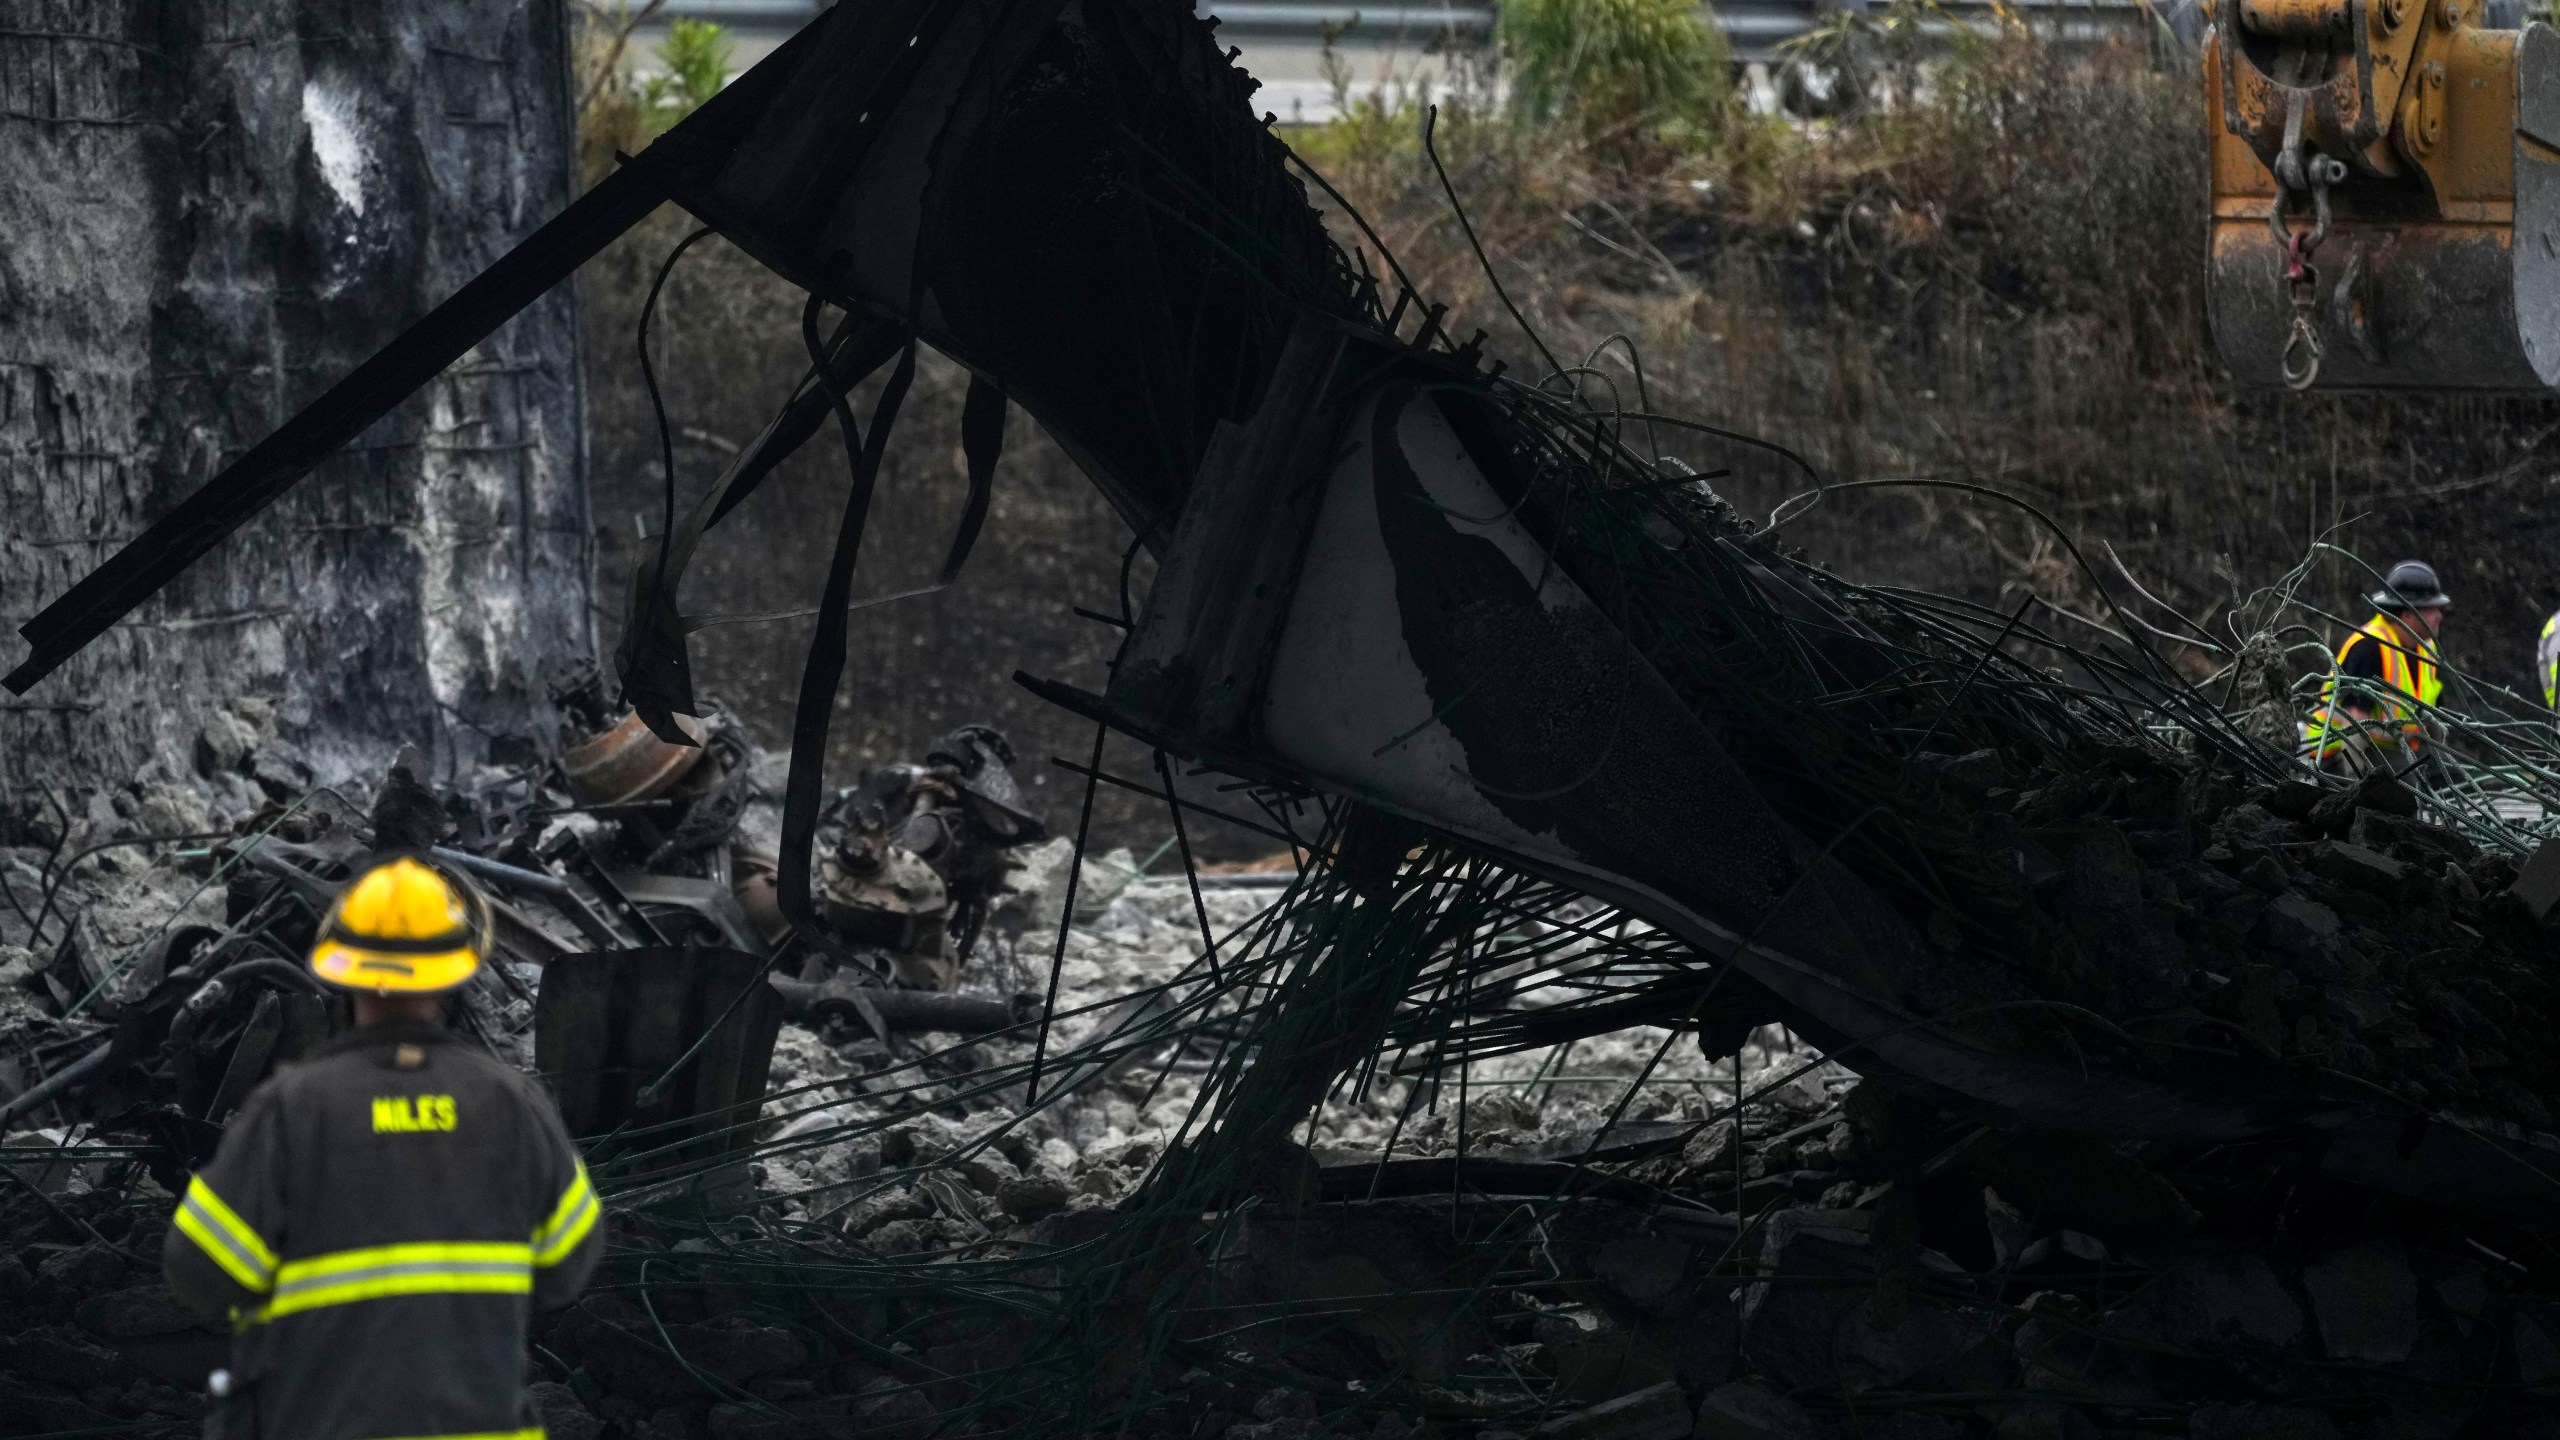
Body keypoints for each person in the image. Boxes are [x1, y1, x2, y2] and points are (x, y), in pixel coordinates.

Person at [164, 855, 601, 1440]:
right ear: (452, 976)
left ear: (343, 972)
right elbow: (569, 1267)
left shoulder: (293, 1108)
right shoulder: (513, 1103)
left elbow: (199, 1271)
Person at [2303, 560, 2449, 774]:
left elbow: (2435, 719)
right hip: (2339, 757)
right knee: (2401, 790)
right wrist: (2356, 789)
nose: (2440, 616)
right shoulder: (2369, 646)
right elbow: (2352, 728)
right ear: (2407, 614)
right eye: (2432, 609)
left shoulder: (2427, 649)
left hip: (2394, 749)